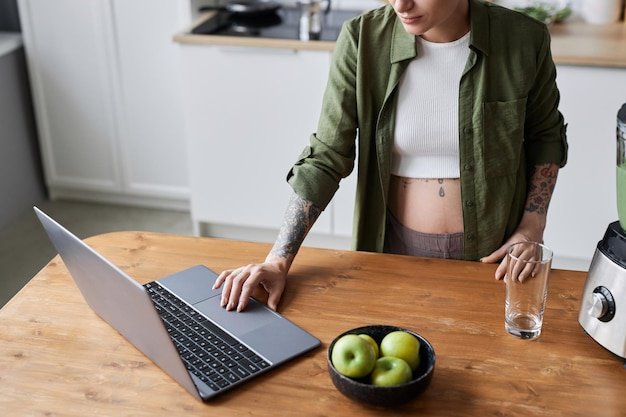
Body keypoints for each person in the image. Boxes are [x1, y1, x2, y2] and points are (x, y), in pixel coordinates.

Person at [213, 0, 568, 312]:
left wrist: (532, 226)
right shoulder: (362, 39)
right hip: (392, 249)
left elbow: (545, 137)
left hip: (498, 256)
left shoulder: (524, 39)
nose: (400, 5)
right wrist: (278, 260)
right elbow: (326, 155)